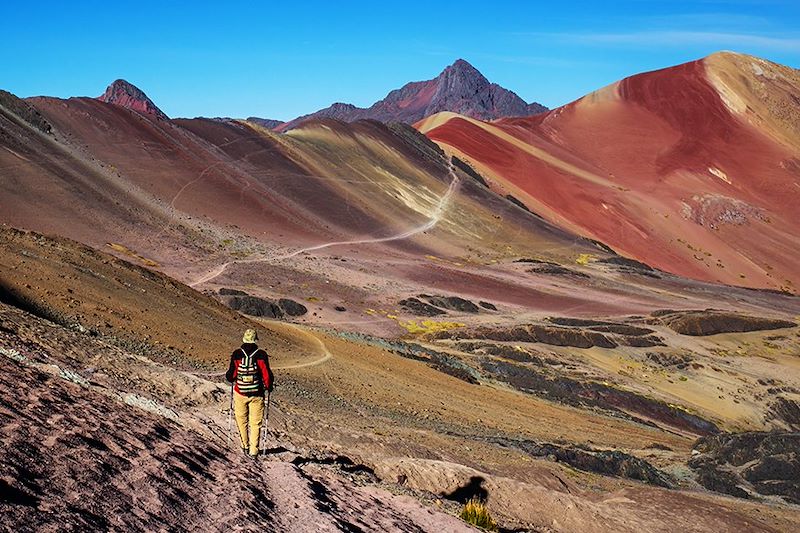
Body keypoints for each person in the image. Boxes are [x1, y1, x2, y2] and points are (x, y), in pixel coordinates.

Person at [225, 328, 274, 459]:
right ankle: (254, 451)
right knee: (255, 423)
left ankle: (244, 446)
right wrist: (269, 387)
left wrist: (233, 378)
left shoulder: (236, 354)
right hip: (257, 394)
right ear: (255, 339)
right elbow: (266, 375)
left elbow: (231, 375)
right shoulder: (261, 355)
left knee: (241, 420)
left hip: (240, 393)